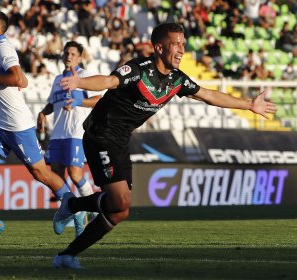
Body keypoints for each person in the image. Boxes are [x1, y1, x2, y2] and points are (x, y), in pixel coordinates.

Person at [50, 22, 277, 269]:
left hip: (122, 139)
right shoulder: (138, 69)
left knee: (119, 211)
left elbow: (209, 95)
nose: (181, 49)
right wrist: (79, 83)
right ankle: (71, 211)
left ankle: (67, 247)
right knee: (120, 201)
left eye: (183, 44)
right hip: (100, 136)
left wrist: (249, 105)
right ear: (159, 47)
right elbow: (107, 80)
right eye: (175, 44)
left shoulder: (177, 80)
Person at [0, 10, 76, 250]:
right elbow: (14, 81)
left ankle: (71, 204)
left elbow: (18, 79)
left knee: (40, 173)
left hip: (17, 125)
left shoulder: (3, 48)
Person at [37, 41, 102, 233]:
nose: (69, 56)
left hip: (76, 132)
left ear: (80, 58)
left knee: (75, 173)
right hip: (57, 134)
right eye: (67, 53)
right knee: (56, 176)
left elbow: (99, 100)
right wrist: (42, 112)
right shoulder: (58, 79)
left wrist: (79, 101)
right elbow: (52, 103)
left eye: (73, 54)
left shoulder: (83, 76)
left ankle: (95, 208)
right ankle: (75, 209)